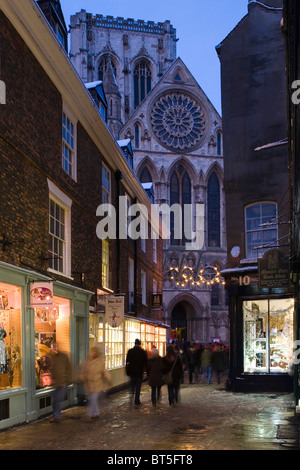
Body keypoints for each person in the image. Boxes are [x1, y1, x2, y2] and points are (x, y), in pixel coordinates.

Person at [77, 347, 111, 419]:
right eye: (90, 352)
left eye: (92, 352)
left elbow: (104, 371)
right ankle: (96, 413)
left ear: (95, 353)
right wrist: (81, 377)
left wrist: (108, 378)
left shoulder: (99, 362)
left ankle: (90, 413)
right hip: (89, 384)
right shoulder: (86, 361)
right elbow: (83, 371)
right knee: (93, 399)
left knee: (93, 399)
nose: (90, 353)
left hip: (97, 384)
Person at [50, 342, 72, 422]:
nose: (54, 348)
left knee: (57, 399)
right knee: (55, 400)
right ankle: (56, 415)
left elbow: (68, 369)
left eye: (55, 346)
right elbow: (52, 369)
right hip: (56, 383)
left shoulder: (63, 357)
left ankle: (57, 416)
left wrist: (69, 380)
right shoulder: (53, 357)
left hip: (63, 382)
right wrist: (52, 379)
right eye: (53, 346)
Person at [126, 338, 148, 406]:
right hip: (139, 372)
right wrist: (145, 371)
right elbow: (146, 363)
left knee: (132, 385)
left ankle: (131, 397)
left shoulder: (130, 351)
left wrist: (127, 371)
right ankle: (137, 400)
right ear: (140, 344)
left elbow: (127, 362)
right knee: (138, 387)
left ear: (134, 343)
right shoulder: (143, 352)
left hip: (132, 372)